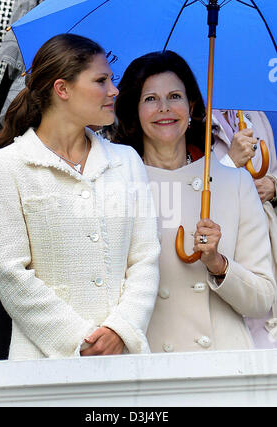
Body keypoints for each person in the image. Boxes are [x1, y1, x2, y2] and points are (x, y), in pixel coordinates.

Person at [0, 34, 160, 361]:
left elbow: (145, 258)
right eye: (101, 80)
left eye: (112, 80)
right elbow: (9, 272)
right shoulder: (4, 165)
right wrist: (79, 339)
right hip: (42, 367)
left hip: (124, 361)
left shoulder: (127, 161)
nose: (114, 90)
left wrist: (120, 329)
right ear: (62, 89)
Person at [113, 50, 276, 353]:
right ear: (134, 111)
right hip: (147, 364)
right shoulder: (117, 184)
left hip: (222, 367)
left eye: (175, 96)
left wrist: (218, 264)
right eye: (150, 99)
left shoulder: (234, 181)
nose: (164, 108)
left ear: (191, 107)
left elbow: (262, 299)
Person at [212, 109, 277, 348]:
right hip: (223, 247)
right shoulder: (191, 116)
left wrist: (273, 184)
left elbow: (273, 169)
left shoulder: (255, 114)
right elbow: (192, 189)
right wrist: (229, 162)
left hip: (264, 247)